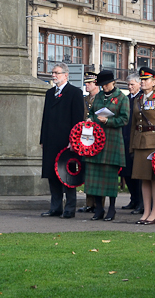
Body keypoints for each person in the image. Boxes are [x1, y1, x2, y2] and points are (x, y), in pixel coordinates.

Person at [39, 62, 84, 218]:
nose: (54, 76)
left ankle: (70, 208)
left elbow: (78, 120)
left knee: (67, 174)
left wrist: (74, 140)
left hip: (66, 142)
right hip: (51, 140)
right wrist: (42, 139)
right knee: (52, 174)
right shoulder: (50, 93)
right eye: (53, 73)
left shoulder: (74, 92)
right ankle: (55, 207)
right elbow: (45, 118)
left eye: (57, 73)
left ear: (66, 75)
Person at [129, 67, 155, 225]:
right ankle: (146, 211)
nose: (142, 82)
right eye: (141, 79)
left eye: (146, 79)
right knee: (144, 179)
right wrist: (132, 147)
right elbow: (134, 125)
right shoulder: (138, 99)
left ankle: (154, 212)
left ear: (154, 82)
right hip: (140, 143)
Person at [85, 70, 130, 221]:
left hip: (112, 141)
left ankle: (111, 208)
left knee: (110, 177)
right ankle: (98, 208)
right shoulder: (98, 96)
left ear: (113, 83)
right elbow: (91, 112)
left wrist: (108, 121)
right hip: (96, 141)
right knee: (95, 175)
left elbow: (124, 119)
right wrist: (91, 119)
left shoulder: (122, 98)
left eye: (105, 85)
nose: (103, 87)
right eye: (101, 85)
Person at [120, 73, 143, 214]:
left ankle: (141, 201)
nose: (129, 87)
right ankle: (133, 199)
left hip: (137, 140)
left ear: (139, 84)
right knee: (127, 172)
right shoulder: (126, 99)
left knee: (138, 173)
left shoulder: (142, 99)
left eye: (132, 84)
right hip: (125, 139)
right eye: (128, 85)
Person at [79, 71, 100, 214]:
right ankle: (89, 203)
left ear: (96, 84)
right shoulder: (84, 100)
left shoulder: (101, 99)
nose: (86, 85)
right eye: (86, 83)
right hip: (85, 139)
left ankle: (98, 204)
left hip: (98, 139)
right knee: (88, 172)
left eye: (89, 83)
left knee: (98, 172)